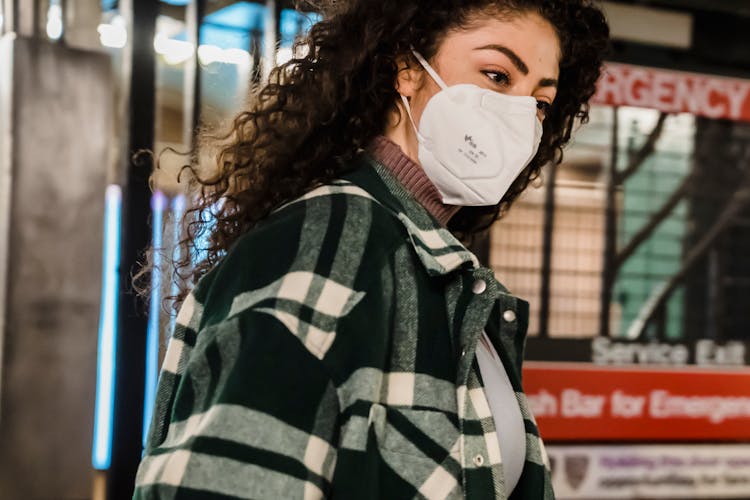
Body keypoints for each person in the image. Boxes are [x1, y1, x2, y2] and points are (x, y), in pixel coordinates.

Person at [133, 1, 609, 498]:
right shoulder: (333, 239)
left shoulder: (436, 272)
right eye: (496, 75)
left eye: (540, 102)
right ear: (406, 69)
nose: (519, 116)